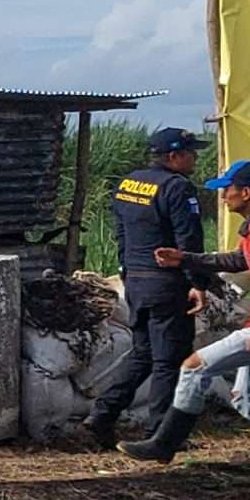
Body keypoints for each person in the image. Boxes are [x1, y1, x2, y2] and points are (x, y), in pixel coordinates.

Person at [122, 161, 250, 479]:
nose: (223, 196)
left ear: (246, 192)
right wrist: (187, 258)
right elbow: (238, 260)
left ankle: (165, 443)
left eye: (227, 189)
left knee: (193, 367)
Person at [74, 128, 209, 446]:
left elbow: (121, 233)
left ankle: (102, 414)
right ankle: (161, 433)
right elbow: (188, 240)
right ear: (174, 156)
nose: (196, 158)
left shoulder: (128, 183)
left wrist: (126, 271)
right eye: (191, 153)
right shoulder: (178, 188)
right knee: (170, 358)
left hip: (135, 280)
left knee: (144, 353)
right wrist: (198, 283)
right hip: (167, 283)